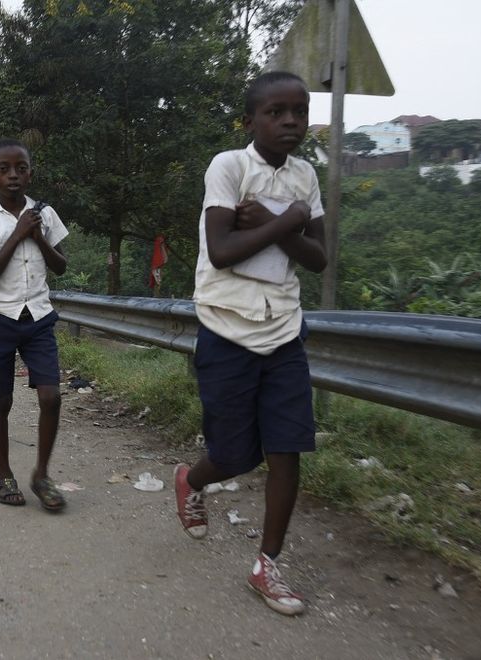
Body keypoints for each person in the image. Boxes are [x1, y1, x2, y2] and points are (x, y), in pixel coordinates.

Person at [173, 71, 327, 616]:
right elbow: (221, 250)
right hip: (226, 328)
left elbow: (318, 258)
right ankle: (191, 479)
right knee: (235, 456)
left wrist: (279, 223)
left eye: (299, 112)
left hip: (284, 330)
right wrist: (289, 221)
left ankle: (268, 564)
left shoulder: (306, 176)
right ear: (249, 121)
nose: (290, 122)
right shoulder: (229, 167)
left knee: (287, 450)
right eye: (275, 112)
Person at [0, 138, 69, 511]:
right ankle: (4, 473)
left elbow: (60, 266)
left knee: (51, 396)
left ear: (30, 174)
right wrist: (18, 234)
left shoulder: (46, 214)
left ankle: (41, 474)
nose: (13, 175)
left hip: (38, 316)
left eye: (21, 168)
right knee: (2, 399)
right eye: (4, 169)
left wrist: (38, 236)